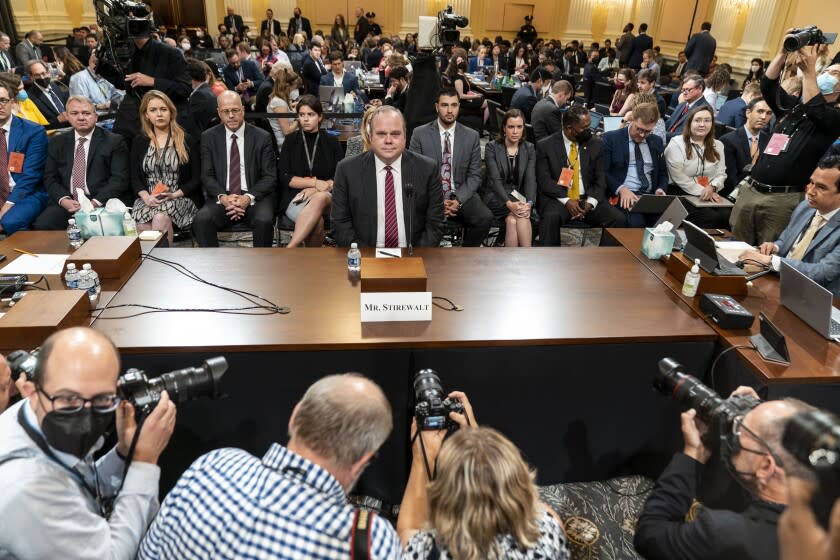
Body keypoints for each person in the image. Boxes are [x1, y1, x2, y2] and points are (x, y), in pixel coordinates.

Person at [138, 373, 399, 559]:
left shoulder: (214, 465)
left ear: (295, 416)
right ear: (362, 461)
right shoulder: (371, 541)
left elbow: (147, 554)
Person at [0, 326, 177, 559]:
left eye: (102, 398)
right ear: (30, 391)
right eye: (69, 398)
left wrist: (124, 453)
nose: (86, 417)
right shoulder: (27, 488)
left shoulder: (34, 412)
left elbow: (77, 485)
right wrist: (144, 461)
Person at [634, 389, 814, 560]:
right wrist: (762, 411)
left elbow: (649, 535)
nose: (733, 429)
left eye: (740, 429)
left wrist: (692, 453)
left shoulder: (722, 532)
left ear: (766, 466)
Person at [397, 393, 569, 558]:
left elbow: (405, 535)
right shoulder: (548, 535)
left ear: (446, 497)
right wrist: (480, 443)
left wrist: (423, 456)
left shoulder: (430, 552)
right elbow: (536, 507)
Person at [729, 34, 840, 246]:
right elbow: (768, 86)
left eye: (834, 73)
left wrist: (809, 72)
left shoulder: (834, 117)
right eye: (825, 71)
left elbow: (815, 108)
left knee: (766, 255)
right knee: (734, 248)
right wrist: (782, 53)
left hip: (782, 200)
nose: (826, 75)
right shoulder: (795, 108)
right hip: (752, 190)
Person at [332, 105, 443, 248]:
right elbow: (340, 223)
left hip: (413, 254)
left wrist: (417, 254)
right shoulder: (346, 170)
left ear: (404, 137)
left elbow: (435, 223)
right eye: (381, 134)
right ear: (370, 136)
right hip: (365, 254)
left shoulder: (428, 169)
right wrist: (363, 255)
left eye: (395, 134)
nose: (388, 140)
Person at [737, 156, 840, 297]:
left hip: (813, 297)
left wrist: (770, 260)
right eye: (811, 182)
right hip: (778, 281)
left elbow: (822, 273)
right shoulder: (805, 207)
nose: (810, 191)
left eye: (821, 187)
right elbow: (785, 240)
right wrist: (775, 247)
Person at [193, 91, 277, 248]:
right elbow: (206, 175)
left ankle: (262, 269)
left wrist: (247, 198)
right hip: (222, 196)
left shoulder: (262, 136)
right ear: (219, 113)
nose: (231, 115)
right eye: (226, 111)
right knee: (202, 220)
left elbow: (270, 176)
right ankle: (213, 270)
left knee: (264, 220)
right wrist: (224, 198)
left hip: (254, 196)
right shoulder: (208, 137)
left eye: (235, 110)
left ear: (243, 110)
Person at [409, 88, 492, 247]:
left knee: (485, 218)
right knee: (417, 221)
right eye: (444, 105)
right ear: (436, 107)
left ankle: (464, 258)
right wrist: (439, 200)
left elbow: (475, 176)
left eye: (454, 105)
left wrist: (458, 200)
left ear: (459, 107)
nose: (449, 110)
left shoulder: (471, 136)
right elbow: (415, 173)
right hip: (430, 196)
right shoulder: (419, 134)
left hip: (461, 194)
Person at [32, 96, 129, 231]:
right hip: (69, 200)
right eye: (75, 113)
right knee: (43, 225)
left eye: (86, 113)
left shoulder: (114, 141)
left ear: (95, 116)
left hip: (101, 201)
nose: (81, 117)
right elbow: (50, 177)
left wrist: (93, 203)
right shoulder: (57, 142)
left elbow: (119, 180)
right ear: (67, 117)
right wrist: (64, 200)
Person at [536, 105, 625, 245]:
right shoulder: (545, 146)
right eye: (584, 128)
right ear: (569, 128)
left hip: (587, 199)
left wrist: (591, 202)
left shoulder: (596, 144)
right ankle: (549, 263)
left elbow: (600, 179)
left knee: (618, 219)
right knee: (549, 218)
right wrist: (567, 201)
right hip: (560, 198)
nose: (589, 132)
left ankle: (606, 261)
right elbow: (544, 181)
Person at [129, 90, 201, 245]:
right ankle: (150, 264)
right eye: (153, 110)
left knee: (160, 218)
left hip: (180, 197)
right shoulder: (140, 141)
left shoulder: (186, 139)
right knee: (141, 222)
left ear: (171, 112)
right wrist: (146, 197)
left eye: (163, 109)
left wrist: (174, 195)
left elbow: (196, 179)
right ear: (146, 115)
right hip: (149, 199)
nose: (159, 114)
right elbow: (135, 178)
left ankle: (161, 263)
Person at [100, 29, 191, 145]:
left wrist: (152, 81)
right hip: (130, 120)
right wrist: (100, 66)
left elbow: (184, 89)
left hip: (164, 125)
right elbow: (124, 82)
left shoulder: (171, 53)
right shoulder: (126, 52)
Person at [278, 95, 343, 248]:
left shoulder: (332, 142)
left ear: (320, 117)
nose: (306, 119)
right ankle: (311, 264)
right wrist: (314, 183)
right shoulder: (290, 141)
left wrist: (314, 189)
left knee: (320, 197)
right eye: (302, 115)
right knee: (317, 222)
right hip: (296, 197)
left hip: (327, 197)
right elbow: (285, 177)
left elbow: (339, 178)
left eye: (311, 114)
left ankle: (290, 248)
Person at [603, 102, 669, 227]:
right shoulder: (611, 139)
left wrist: (661, 188)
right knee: (636, 223)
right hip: (624, 194)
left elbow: (662, 173)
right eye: (639, 129)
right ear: (632, 119)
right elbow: (603, 172)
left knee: (667, 223)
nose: (642, 135)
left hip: (650, 197)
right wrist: (621, 189)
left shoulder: (656, 142)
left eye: (647, 131)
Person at [664, 105, 729, 228]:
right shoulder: (676, 144)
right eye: (698, 120)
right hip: (680, 192)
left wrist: (713, 187)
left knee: (727, 215)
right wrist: (704, 191)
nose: (702, 125)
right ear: (689, 123)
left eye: (707, 120)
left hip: (709, 190)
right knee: (711, 217)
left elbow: (721, 173)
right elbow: (679, 178)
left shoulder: (718, 145)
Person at [0, 81, 48, 235]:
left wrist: (9, 204)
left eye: (3, 100)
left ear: (12, 102)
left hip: (26, 192)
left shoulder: (33, 132)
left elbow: (31, 176)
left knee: (9, 221)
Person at [483, 109, 536, 246]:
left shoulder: (529, 148)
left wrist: (529, 203)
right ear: (504, 128)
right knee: (519, 214)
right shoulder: (492, 147)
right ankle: (526, 259)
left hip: (518, 196)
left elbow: (530, 179)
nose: (515, 131)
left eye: (519, 127)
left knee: (513, 220)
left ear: (523, 128)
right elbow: (495, 180)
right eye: (511, 127)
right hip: (496, 196)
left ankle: (522, 258)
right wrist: (509, 204)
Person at [720, 97, 772, 197]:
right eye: (760, 111)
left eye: (768, 113)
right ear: (748, 113)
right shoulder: (728, 140)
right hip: (734, 195)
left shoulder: (769, 141)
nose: (764, 117)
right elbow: (730, 179)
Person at [69, 48, 124, 115]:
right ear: (90, 61)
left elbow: (116, 94)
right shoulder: (79, 78)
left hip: (111, 116)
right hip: (95, 120)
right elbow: (80, 106)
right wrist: (100, 106)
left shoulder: (106, 76)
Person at [665, 74, 710, 139]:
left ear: (700, 89)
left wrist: (664, 135)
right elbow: (669, 123)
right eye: (683, 90)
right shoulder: (682, 104)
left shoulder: (704, 110)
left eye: (688, 90)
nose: (684, 93)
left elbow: (690, 134)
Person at [26, 60, 69, 127]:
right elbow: (36, 126)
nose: (42, 77)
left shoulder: (55, 85)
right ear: (31, 77)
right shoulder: (30, 97)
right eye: (37, 75)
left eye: (44, 73)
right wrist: (57, 120)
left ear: (49, 72)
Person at [267, 67, 301, 149]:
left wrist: (294, 107)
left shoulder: (280, 99)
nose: (294, 91)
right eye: (294, 88)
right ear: (288, 86)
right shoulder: (279, 103)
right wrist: (298, 118)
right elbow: (287, 132)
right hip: (286, 145)